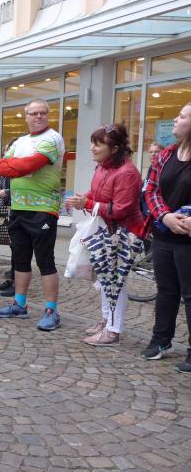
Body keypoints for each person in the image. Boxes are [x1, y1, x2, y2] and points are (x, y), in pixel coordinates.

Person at [66, 124, 144, 347]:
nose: (92, 148)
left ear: (114, 148)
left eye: (98, 144)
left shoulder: (127, 172)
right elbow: (97, 192)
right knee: (104, 277)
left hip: (124, 232)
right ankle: (106, 320)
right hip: (108, 230)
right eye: (93, 142)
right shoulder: (103, 166)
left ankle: (113, 329)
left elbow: (120, 209)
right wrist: (84, 198)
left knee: (115, 282)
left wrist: (87, 203)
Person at [0, 98, 65, 331]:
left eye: (42, 112)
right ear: (26, 116)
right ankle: (19, 304)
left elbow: (30, 165)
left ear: (48, 115)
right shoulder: (21, 141)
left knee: (45, 261)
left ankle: (51, 311)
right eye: (33, 113)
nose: (38, 116)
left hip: (43, 209)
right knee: (20, 259)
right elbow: (1, 167)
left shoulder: (52, 138)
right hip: (18, 207)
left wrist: (17, 166)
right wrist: (18, 166)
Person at [142, 102, 191, 370]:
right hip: (164, 235)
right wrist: (165, 216)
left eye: (181, 116)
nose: (175, 119)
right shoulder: (167, 154)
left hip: (188, 239)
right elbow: (151, 190)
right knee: (166, 291)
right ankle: (161, 340)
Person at [141, 141, 164, 217]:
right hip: (145, 211)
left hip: (155, 212)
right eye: (151, 152)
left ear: (162, 153)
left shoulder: (163, 169)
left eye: (156, 152)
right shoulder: (151, 167)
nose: (153, 154)